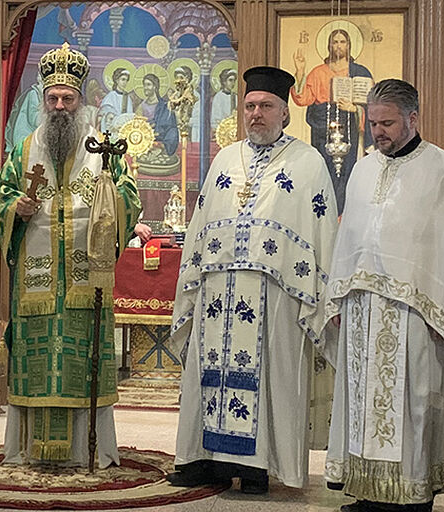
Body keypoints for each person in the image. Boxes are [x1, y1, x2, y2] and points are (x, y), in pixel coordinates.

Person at [167, 66, 338, 493]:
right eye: (249, 106)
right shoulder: (226, 158)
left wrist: (328, 293)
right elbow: (202, 222)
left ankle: (258, 465)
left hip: (275, 294)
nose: (256, 114)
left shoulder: (308, 162)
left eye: (265, 106)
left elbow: (321, 232)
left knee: (268, 377)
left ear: (285, 112)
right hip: (215, 293)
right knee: (208, 373)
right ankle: (204, 460)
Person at [323, 79, 444, 512]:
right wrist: (336, 296)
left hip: (415, 314)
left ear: (413, 118)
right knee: (361, 406)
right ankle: (368, 491)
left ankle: (412, 495)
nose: (378, 132)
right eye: (372, 123)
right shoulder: (363, 168)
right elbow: (348, 238)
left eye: (388, 123)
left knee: (410, 407)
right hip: (360, 310)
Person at [0, 43, 142, 468]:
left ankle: (84, 449)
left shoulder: (104, 150)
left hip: (84, 284)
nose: (59, 106)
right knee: (37, 365)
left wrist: (111, 204)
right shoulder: (24, 150)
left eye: (67, 99)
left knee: (82, 365)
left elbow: (129, 198)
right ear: (43, 101)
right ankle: (26, 449)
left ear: (82, 101)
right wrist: (13, 208)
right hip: (35, 286)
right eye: (53, 99)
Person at [291, 28, 374, 214]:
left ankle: (345, 217)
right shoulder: (318, 72)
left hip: (351, 133)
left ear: (349, 45)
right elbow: (302, 99)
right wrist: (300, 71)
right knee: (324, 175)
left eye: (342, 42)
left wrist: (354, 109)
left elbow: (374, 106)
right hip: (323, 133)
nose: (338, 45)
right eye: (334, 42)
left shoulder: (359, 72)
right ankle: (326, 216)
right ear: (328, 45)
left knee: (348, 176)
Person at [98, 67, 139, 133]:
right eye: (123, 79)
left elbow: (129, 116)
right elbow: (103, 113)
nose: (125, 82)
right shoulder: (110, 96)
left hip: (123, 130)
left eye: (126, 80)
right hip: (111, 130)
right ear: (117, 80)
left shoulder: (127, 98)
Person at [210, 68, 237, 133]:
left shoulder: (235, 96)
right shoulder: (218, 97)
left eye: (234, 80)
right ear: (224, 82)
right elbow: (216, 117)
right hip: (222, 130)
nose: (233, 83)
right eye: (230, 80)